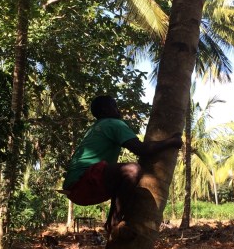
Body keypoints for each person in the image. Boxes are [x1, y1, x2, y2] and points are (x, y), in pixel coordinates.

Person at [63, 96, 182, 234]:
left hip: (76, 189)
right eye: (114, 106)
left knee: (127, 186)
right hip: (83, 182)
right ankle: (114, 223)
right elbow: (141, 149)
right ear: (104, 110)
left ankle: (112, 223)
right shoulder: (113, 123)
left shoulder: (96, 128)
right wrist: (172, 142)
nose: (117, 110)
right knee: (132, 171)